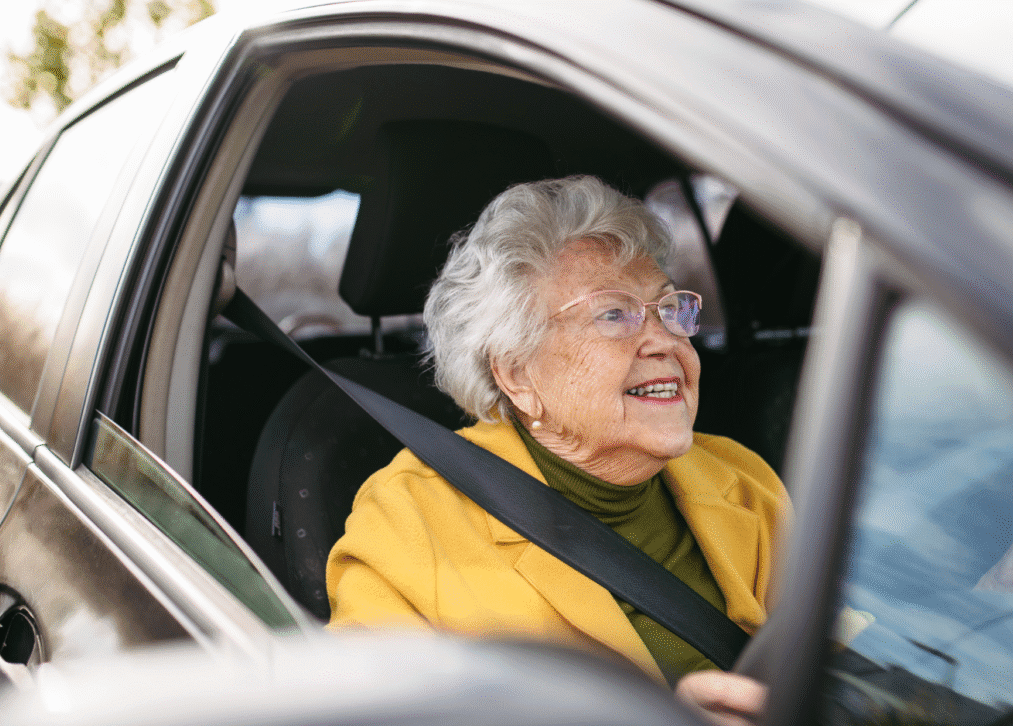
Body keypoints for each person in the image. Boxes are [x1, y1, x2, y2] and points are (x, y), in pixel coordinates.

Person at [326, 175, 790, 722]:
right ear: (517, 374)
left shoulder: (741, 478)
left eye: (669, 309)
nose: (665, 340)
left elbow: (847, 664)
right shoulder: (408, 522)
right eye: (613, 314)